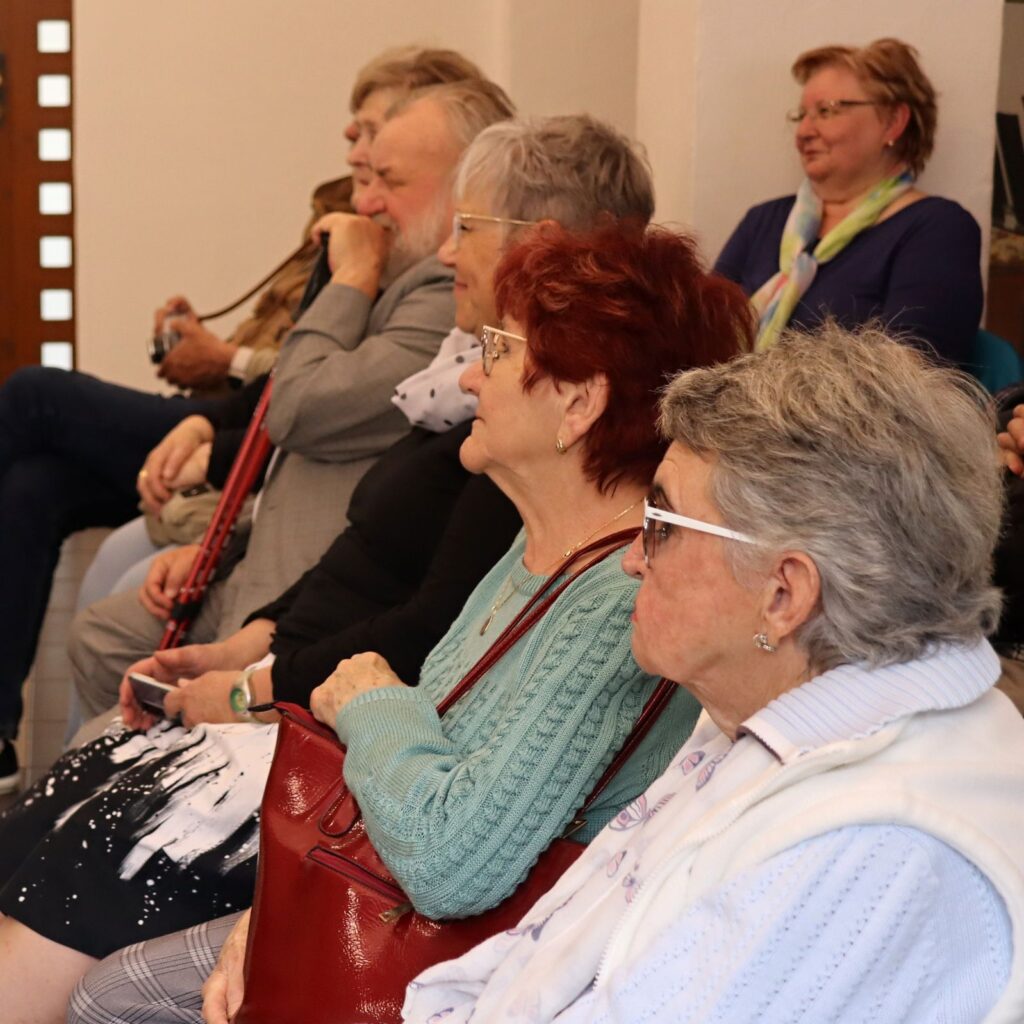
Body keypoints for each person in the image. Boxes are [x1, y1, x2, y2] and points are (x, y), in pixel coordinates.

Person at [66, 221, 752, 1024]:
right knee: (111, 982)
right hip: (390, 910)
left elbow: (451, 861)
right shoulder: (541, 549)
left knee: (111, 998)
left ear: (578, 402)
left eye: (497, 351)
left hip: (464, 969)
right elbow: (425, 759)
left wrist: (367, 699)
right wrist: (274, 911)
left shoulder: (613, 603)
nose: (467, 378)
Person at [397, 324, 1024, 1024]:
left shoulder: (875, 848)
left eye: (662, 523)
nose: (632, 558)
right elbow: (534, 965)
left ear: (783, 594)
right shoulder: (777, 710)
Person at [0, 46, 488, 789]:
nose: (359, 177)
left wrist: (340, 284)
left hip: (287, 558)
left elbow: (297, 406)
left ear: (462, 190)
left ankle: (88, 787)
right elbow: (287, 387)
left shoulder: (423, 286)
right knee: (38, 485)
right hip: (251, 490)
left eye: (382, 165)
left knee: (35, 395)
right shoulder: (369, 243)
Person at [714, 38, 982, 367]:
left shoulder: (938, 229)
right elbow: (698, 335)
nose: (803, 132)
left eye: (826, 111)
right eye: (801, 115)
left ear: (893, 122)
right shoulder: (762, 221)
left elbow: (910, 375)